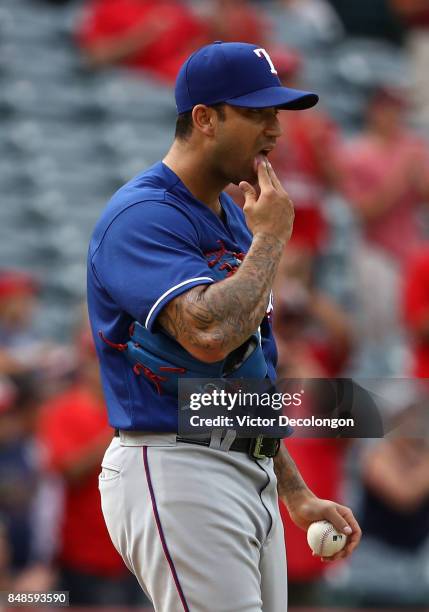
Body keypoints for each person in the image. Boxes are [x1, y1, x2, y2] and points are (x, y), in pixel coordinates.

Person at [87, 41, 362, 611]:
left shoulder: (233, 216)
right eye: (257, 113)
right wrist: (272, 239)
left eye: (277, 114)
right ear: (206, 119)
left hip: (238, 463)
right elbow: (208, 338)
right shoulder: (142, 216)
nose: (275, 130)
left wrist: (294, 489)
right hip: (175, 463)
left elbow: (245, 371)